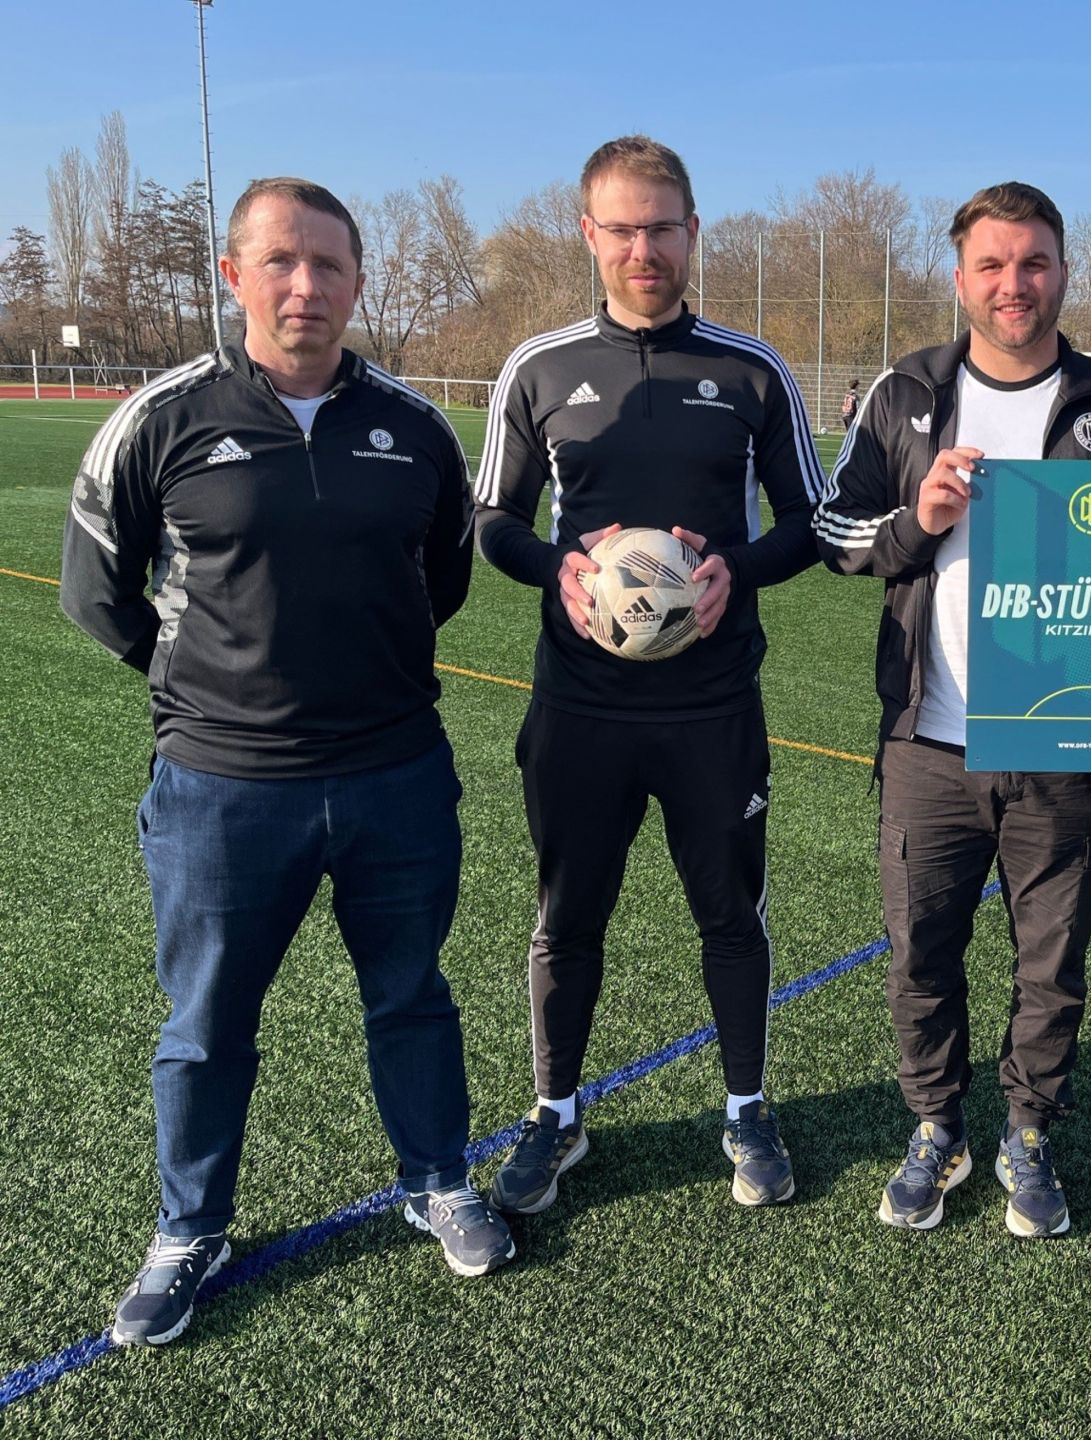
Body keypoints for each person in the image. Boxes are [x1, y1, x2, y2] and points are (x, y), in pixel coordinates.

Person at [61, 177, 514, 1347]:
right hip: (220, 789)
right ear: (234, 275)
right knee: (207, 1022)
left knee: (411, 996)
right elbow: (99, 592)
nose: (304, 285)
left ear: (360, 282)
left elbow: (442, 584)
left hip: (395, 776)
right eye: (279, 261)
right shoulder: (161, 418)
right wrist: (208, 698)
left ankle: (436, 1178)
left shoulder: (415, 429)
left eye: (328, 265)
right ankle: (189, 1227)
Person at [474, 135, 824, 1217]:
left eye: (661, 227)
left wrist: (735, 576)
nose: (643, 248)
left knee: (732, 914)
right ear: (589, 234)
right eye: (621, 229)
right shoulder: (537, 370)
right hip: (580, 708)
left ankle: (747, 1107)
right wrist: (561, 572)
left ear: (692, 232)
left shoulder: (750, 370)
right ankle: (555, 1116)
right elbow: (492, 520)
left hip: (714, 708)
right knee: (568, 916)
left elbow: (813, 523)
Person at [813, 182, 1091, 1238]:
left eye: (1036, 262)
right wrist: (914, 523)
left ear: (1065, 270)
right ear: (960, 276)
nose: (1016, 284)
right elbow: (832, 533)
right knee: (921, 953)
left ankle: (1030, 1129)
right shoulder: (904, 393)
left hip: (1058, 738)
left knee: (1050, 961)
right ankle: (935, 1126)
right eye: (994, 265)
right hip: (927, 738)